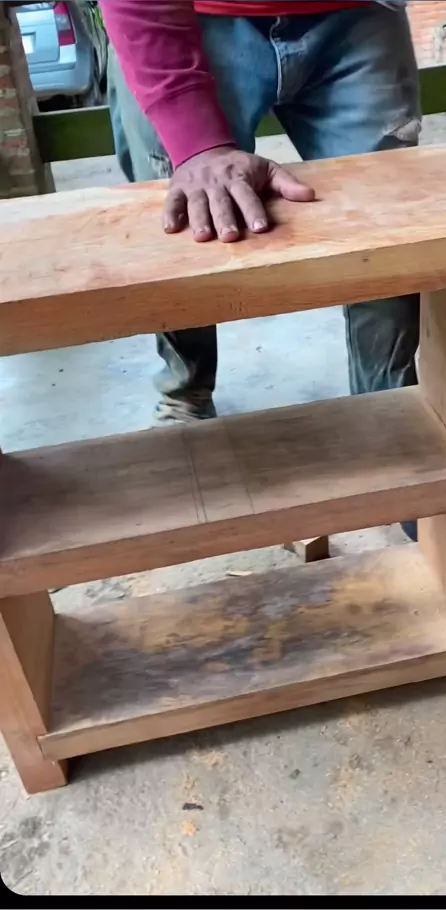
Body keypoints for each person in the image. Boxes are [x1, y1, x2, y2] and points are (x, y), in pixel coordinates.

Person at [101, 0, 420, 541]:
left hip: (356, 13)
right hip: (184, 16)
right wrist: (194, 139)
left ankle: (391, 417)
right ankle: (185, 394)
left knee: (393, 237)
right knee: (189, 221)